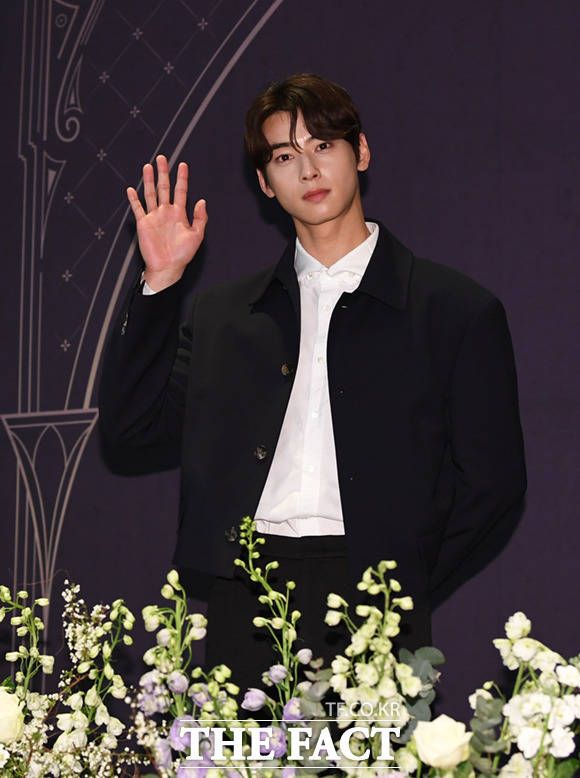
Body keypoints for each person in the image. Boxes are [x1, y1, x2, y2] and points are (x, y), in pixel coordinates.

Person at [98, 73, 527, 697]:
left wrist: (403, 583)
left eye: (323, 145)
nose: (308, 169)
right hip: (245, 600)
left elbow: (494, 484)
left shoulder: (453, 310)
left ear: (362, 151)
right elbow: (131, 430)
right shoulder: (225, 316)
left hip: (374, 605)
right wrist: (160, 283)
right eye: (284, 156)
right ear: (265, 183)